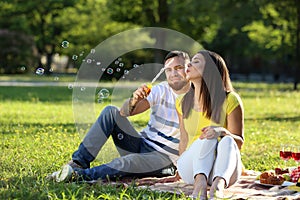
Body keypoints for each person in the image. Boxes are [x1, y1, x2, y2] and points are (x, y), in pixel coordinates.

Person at [51, 50, 191, 182]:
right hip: (142, 143)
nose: (173, 73)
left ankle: (77, 176)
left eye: (178, 68)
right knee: (110, 112)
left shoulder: (198, 97)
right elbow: (124, 113)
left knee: (127, 162)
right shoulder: (161, 89)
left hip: (165, 159)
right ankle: (78, 163)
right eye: (168, 70)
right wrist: (134, 100)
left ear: (188, 68)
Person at [175, 50, 244, 199]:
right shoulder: (181, 102)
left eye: (196, 61)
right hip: (192, 169)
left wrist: (222, 131)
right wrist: (179, 167)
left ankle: (218, 187)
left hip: (224, 169)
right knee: (207, 136)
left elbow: (238, 143)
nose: (189, 64)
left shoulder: (230, 99)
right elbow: (184, 139)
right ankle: (200, 183)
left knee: (225, 139)